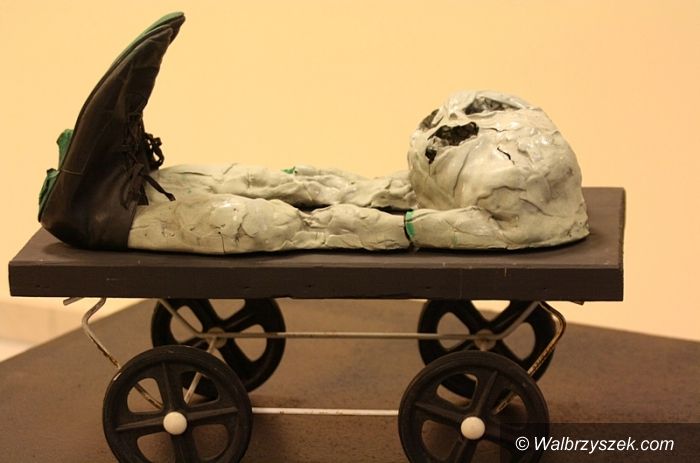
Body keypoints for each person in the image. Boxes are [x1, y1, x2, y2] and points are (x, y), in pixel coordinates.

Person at [39, 12, 589, 255]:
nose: (434, 141)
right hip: (452, 202)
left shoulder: (503, 208)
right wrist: (338, 192)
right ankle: (116, 192)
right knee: (279, 179)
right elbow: (387, 194)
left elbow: (417, 227)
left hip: (449, 213)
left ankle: (104, 212)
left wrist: (385, 226)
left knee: (271, 221)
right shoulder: (489, 171)